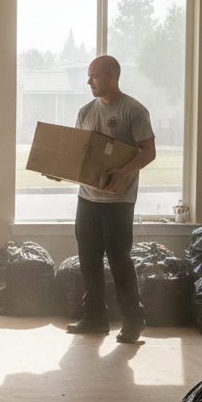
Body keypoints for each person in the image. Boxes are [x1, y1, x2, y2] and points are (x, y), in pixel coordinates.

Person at [67, 55, 156, 343]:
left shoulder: (134, 110)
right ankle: (94, 318)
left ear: (111, 77)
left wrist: (123, 173)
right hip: (87, 199)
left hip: (119, 201)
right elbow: (80, 154)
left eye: (93, 76)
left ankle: (133, 320)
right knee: (88, 259)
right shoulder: (85, 111)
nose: (89, 81)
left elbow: (149, 152)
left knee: (119, 260)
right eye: (89, 76)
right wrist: (61, 171)